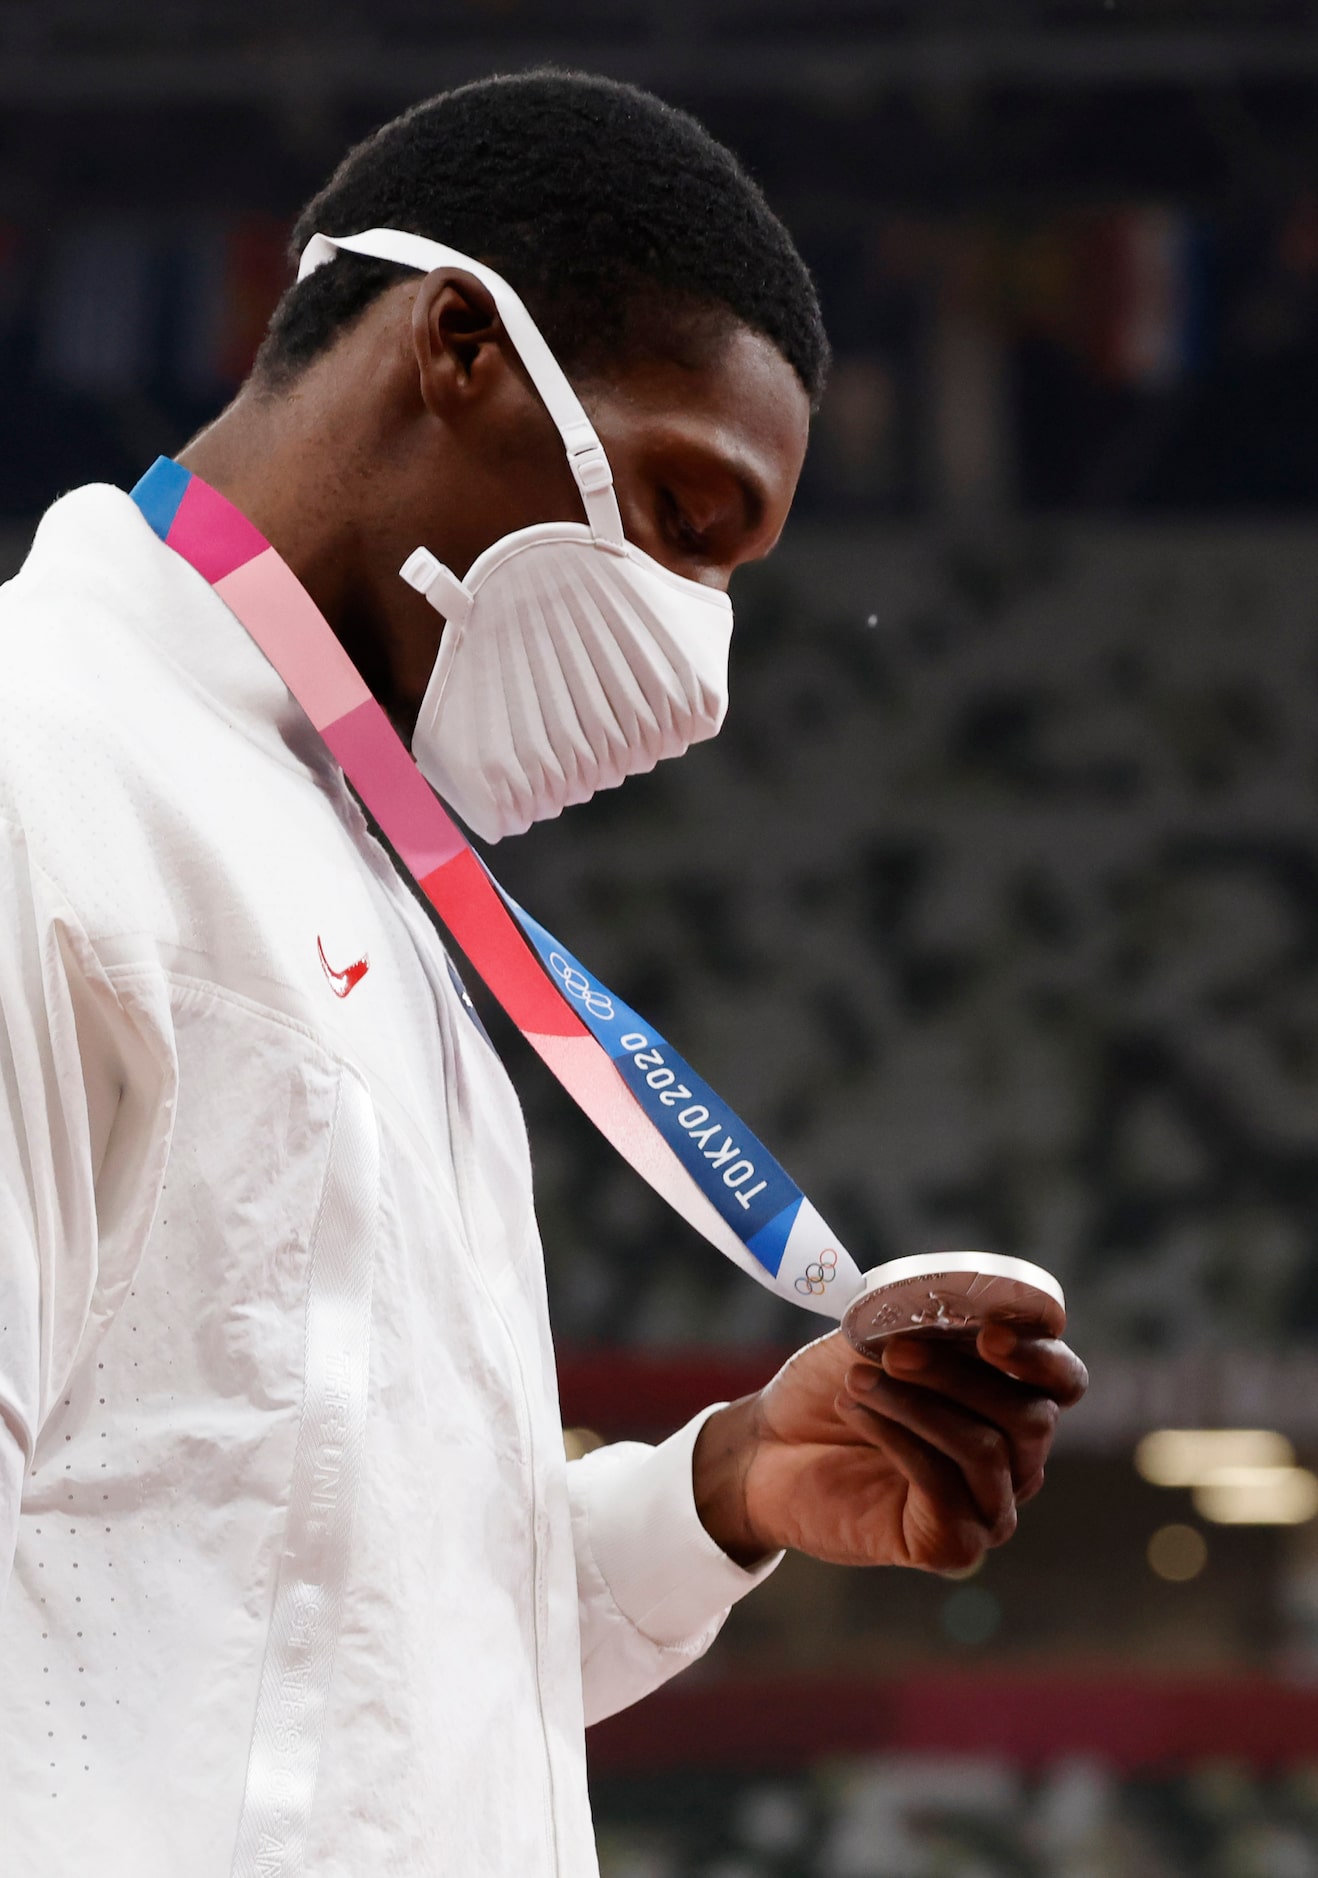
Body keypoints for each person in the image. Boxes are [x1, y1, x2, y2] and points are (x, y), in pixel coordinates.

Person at [0, 69, 1087, 1876]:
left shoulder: (364, 891)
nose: (695, 650)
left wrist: (725, 1483)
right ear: (457, 346)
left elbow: (348, 1645)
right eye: (680, 510)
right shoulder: (47, 769)